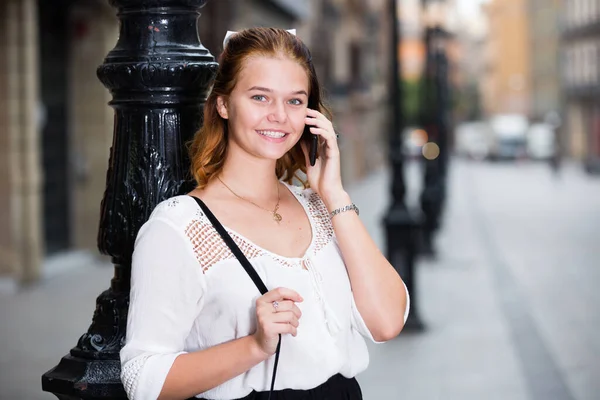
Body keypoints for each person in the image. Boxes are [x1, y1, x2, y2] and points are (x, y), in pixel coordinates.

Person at [120, 27, 410, 400]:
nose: (279, 116)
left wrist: (334, 193)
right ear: (223, 104)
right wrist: (254, 346)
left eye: (294, 101)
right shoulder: (179, 227)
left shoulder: (322, 209)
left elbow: (386, 323)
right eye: (260, 97)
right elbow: (142, 379)